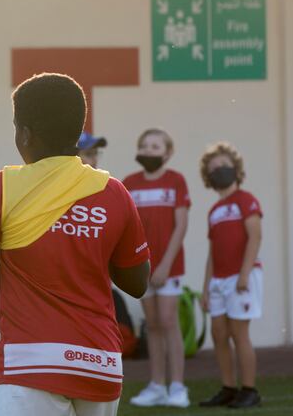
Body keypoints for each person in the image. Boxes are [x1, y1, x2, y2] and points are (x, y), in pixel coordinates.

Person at [0, 73, 150, 416]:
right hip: (99, 362)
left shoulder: (2, 186)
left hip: (29, 364)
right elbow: (136, 283)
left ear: (25, 133)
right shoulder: (113, 191)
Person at [123, 128, 191, 408]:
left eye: (155, 146)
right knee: (152, 324)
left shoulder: (176, 181)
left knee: (168, 321)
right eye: (145, 146)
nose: (149, 150)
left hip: (169, 267)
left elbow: (181, 225)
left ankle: (177, 386)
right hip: (143, 268)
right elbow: (127, 227)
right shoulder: (129, 183)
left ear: (168, 152)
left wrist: (163, 265)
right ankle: (157, 385)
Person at [198, 142, 263, 409]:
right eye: (213, 169)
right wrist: (205, 289)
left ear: (236, 169)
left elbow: (255, 237)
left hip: (241, 277)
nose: (219, 171)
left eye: (224, 166)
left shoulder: (246, 201)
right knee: (218, 332)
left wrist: (244, 274)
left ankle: (249, 389)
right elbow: (213, 252)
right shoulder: (214, 211)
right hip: (219, 281)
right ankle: (228, 387)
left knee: (239, 332)